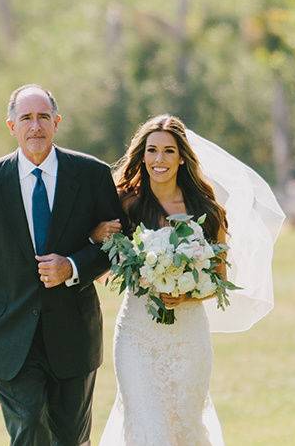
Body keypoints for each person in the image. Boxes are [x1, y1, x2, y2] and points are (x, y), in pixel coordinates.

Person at [0, 84, 124, 446]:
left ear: (57, 122)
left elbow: (120, 245)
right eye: (26, 118)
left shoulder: (91, 175)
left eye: (43, 117)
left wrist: (73, 266)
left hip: (74, 334)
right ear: (11, 126)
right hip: (10, 335)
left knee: (70, 439)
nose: (35, 126)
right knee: (28, 430)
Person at [93, 114, 284, 445]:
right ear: (142, 155)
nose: (159, 160)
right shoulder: (125, 203)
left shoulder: (206, 209)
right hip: (137, 336)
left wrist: (186, 297)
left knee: (186, 428)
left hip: (188, 336)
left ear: (182, 156)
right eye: (152, 150)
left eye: (169, 151)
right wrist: (98, 235)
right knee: (147, 428)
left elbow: (219, 277)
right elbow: (98, 252)